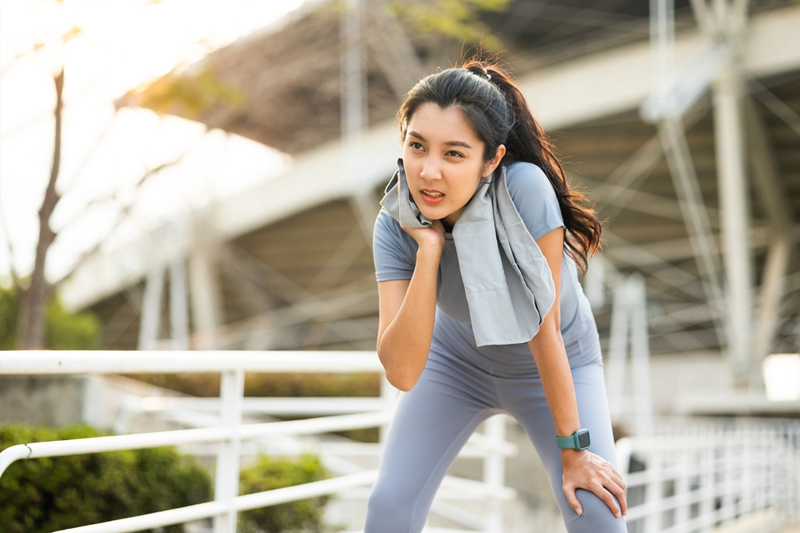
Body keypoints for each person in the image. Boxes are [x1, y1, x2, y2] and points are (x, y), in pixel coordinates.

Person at [365, 58, 628, 533]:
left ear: (492, 159)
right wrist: (429, 250)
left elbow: (541, 327)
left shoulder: (525, 190)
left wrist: (575, 452)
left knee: (595, 516)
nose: (428, 172)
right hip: (456, 361)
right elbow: (402, 371)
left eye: (454, 154)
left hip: (553, 358)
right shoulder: (394, 221)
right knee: (388, 510)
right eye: (417, 146)